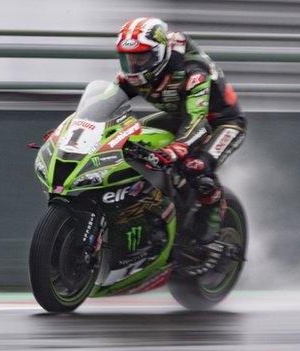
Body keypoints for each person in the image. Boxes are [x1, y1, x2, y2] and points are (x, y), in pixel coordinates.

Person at [114, 17, 247, 275]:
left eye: (141, 58)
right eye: (128, 58)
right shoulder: (135, 74)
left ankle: (207, 238)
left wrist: (176, 149)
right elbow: (107, 103)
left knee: (195, 166)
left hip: (221, 123)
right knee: (128, 138)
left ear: (160, 52)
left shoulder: (192, 71)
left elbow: (197, 121)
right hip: (179, 116)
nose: (134, 65)